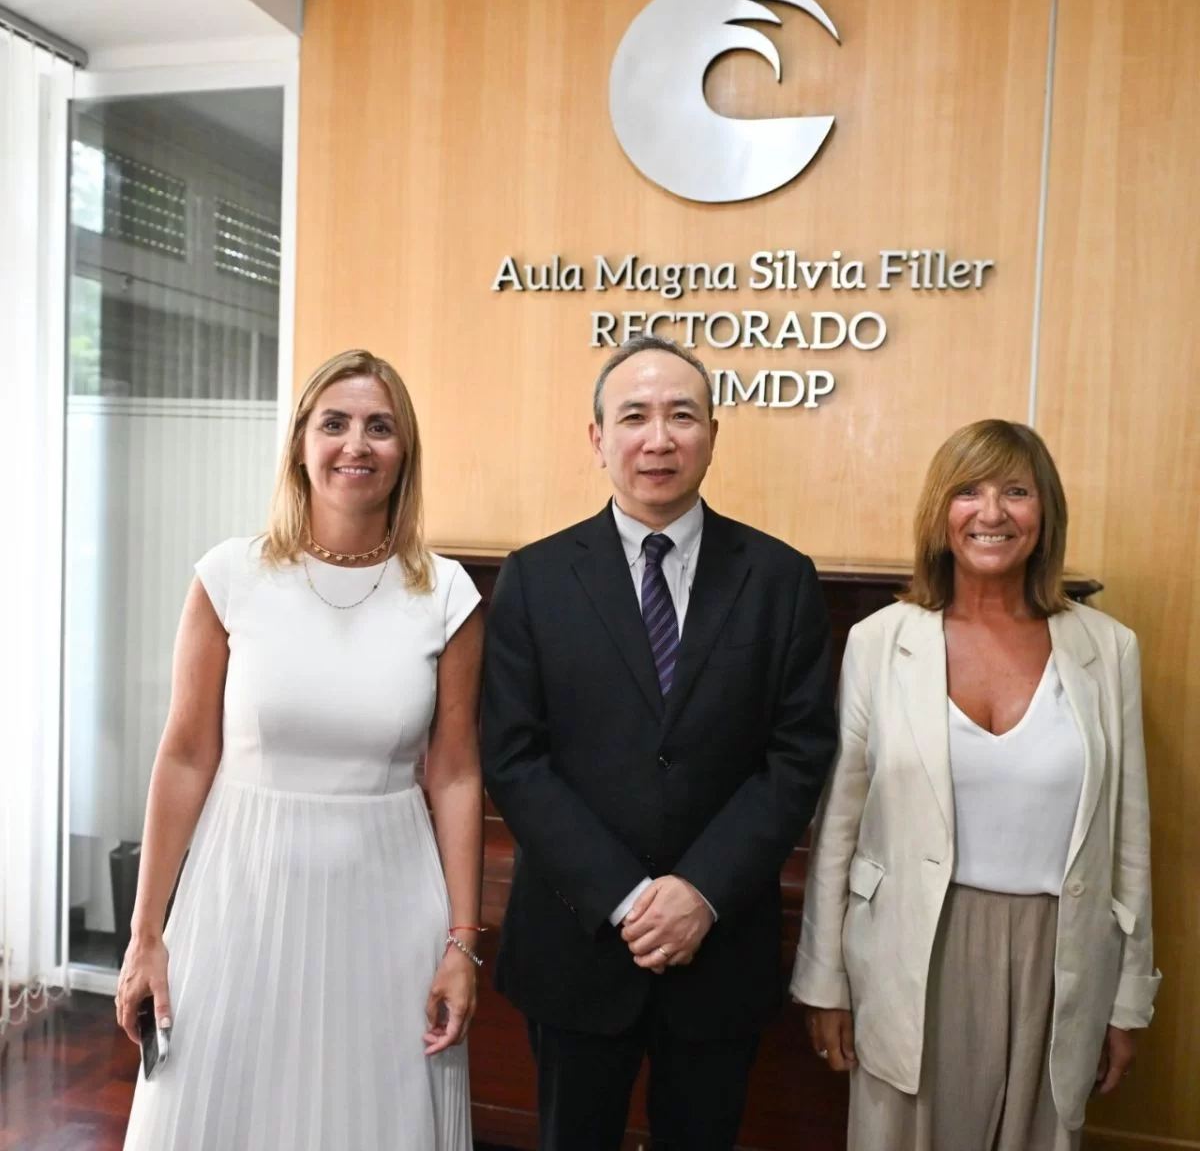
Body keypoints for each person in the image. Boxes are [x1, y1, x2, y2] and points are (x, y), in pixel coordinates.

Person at [116, 350, 483, 1150]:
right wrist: (146, 935)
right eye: (336, 423)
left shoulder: (447, 594)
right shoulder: (229, 576)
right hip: (238, 891)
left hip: (389, 904)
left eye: (380, 427)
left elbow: (455, 774)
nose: (357, 443)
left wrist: (463, 945)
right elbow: (184, 756)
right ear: (300, 447)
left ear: (405, 453)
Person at [481, 334, 838, 1151]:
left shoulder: (780, 579)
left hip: (719, 943)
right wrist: (627, 897)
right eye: (634, 415)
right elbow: (514, 757)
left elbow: (797, 755)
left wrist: (699, 892)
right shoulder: (534, 578)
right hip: (577, 941)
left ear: (713, 433)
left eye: (682, 415)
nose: (659, 437)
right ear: (597, 437)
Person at [792, 418, 1161, 1151]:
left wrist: (1127, 1000)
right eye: (969, 492)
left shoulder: (1108, 649)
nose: (991, 513)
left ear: (1044, 512)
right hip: (912, 951)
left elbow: (1130, 838)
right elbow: (839, 825)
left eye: (1015, 492)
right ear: (940, 513)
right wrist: (824, 981)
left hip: (1059, 959)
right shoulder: (879, 641)